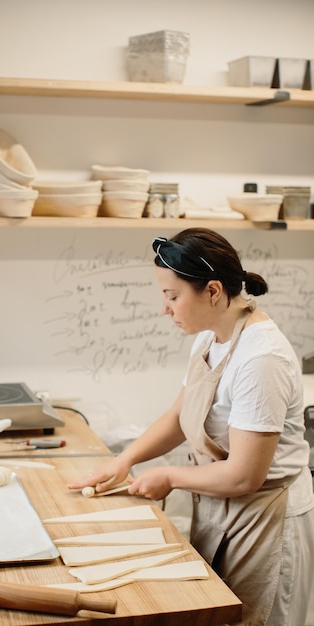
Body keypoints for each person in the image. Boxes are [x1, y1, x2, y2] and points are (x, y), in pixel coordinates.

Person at [68, 227, 314, 626]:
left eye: (172, 296)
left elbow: (244, 475)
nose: (164, 308)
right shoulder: (210, 338)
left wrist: (168, 475)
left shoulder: (260, 359)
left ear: (213, 291)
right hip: (224, 507)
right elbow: (180, 417)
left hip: (265, 519)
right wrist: (124, 460)